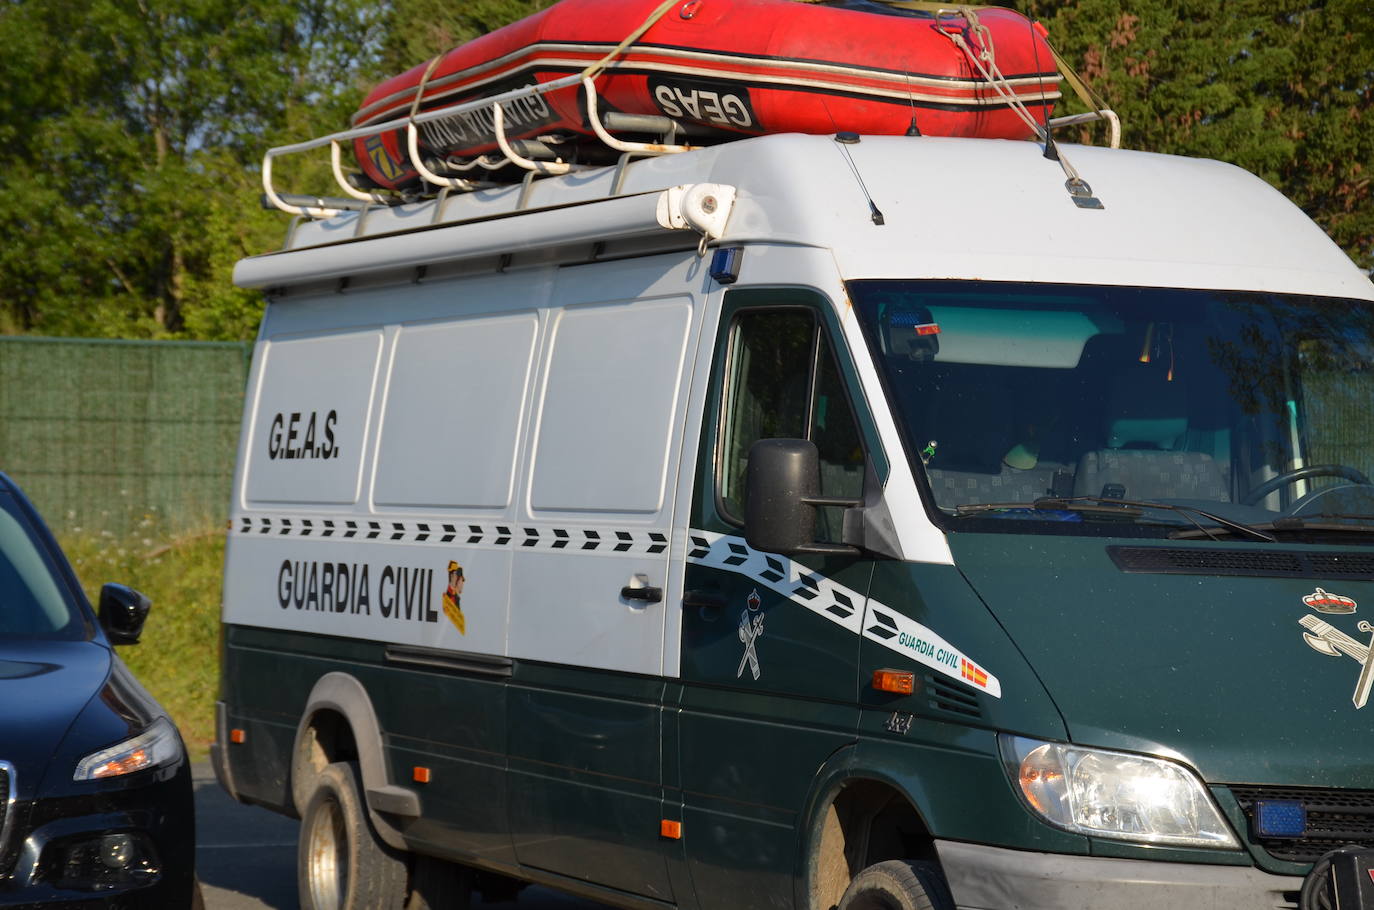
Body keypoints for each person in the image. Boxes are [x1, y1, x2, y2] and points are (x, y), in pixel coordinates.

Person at [442, 561, 465, 634]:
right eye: (460, 580)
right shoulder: (449, 595)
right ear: (452, 575)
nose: (462, 584)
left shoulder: (455, 595)